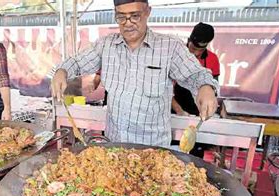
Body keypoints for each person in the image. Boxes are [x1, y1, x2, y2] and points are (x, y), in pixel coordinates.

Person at [52, 0, 219, 147]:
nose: (128, 23)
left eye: (135, 16)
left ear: (147, 12)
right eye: (121, 17)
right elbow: (76, 62)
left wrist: (205, 87)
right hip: (114, 146)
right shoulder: (106, 45)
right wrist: (62, 71)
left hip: (153, 152)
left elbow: (195, 75)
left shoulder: (170, 47)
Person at [172, 22, 220, 117]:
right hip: (175, 111)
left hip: (199, 113)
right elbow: (165, 91)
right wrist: (179, 111)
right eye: (193, 49)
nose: (196, 53)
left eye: (201, 50)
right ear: (189, 40)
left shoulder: (213, 59)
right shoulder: (176, 56)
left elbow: (213, 89)